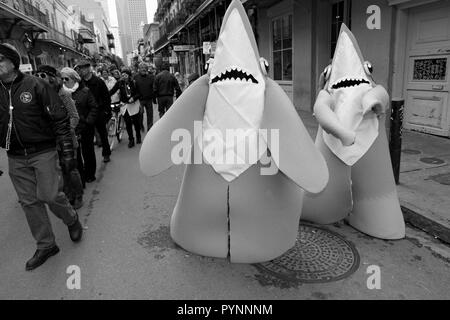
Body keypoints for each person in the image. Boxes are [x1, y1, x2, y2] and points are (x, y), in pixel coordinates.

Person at [0, 43, 83, 271]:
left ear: (13, 62)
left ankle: (71, 218)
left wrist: (67, 153)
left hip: (43, 152)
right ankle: (46, 244)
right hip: (15, 155)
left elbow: (60, 119)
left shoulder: (36, 85)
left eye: (0, 59)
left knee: (50, 195)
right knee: (29, 202)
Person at [36, 65, 84, 209]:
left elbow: (75, 117)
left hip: (67, 140)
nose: (39, 78)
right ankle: (68, 196)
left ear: (51, 77)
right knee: (61, 171)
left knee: (71, 169)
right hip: (51, 142)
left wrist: (64, 131)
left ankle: (78, 195)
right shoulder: (41, 94)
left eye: (43, 75)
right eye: (37, 75)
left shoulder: (64, 94)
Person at [61, 67, 98, 184]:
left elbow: (94, 107)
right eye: (61, 78)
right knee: (75, 156)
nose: (63, 81)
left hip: (85, 127)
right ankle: (81, 177)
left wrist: (88, 121)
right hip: (70, 129)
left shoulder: (85, 91)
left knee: (88, 152)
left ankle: (90, 174)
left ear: (74, 78)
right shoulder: (61, 94)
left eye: (66, 78)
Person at [76, 60, 112, 163]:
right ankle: (91, 162)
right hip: (87, 114)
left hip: (99, 112)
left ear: (88, 69)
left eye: (82, 68)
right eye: (79, 69)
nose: (80, 71)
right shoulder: (80, 83)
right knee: (88, 139)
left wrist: (106, 112)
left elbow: (106, 97)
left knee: (103, 134)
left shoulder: (98, 81)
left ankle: (106, 153)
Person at [110, 67, 141, 148]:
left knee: (136, 122)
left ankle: (138, 135)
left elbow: (139, 93)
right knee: (128, 123)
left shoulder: (134, 82)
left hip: (134, 104)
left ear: (129, 75)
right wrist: (105, 96)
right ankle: (131, 139)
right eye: (122, 74)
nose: (124, 76)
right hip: (124, 105)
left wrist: (133, 98)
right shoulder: (119, 83)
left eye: (125, 74)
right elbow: (112, 91)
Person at [134, 62, 156, 132]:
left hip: (149, 99)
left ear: (146, 69)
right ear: (139, 69)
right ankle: (141, 125)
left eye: (144, 68)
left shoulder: (151, 77)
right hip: (140, 99)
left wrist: (154, 96)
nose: (143, 69)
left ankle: (150, 128)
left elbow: (154, 87)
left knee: (150, 114)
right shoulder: (136, 77)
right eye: (141, 68)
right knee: (140, 114)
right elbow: (134, 88)